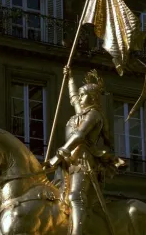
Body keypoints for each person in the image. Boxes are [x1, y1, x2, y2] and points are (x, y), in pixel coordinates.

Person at [46, 66, 124, 235]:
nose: (80, 98)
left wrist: (60, 153)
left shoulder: (95, 114)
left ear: (93, 97)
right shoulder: (80, 113)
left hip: (83, 162)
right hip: (68, 163)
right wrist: (70, 77)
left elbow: (80, 135)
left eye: (84, 95)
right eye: (80, 95)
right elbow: (73, 97)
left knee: (76, 196)